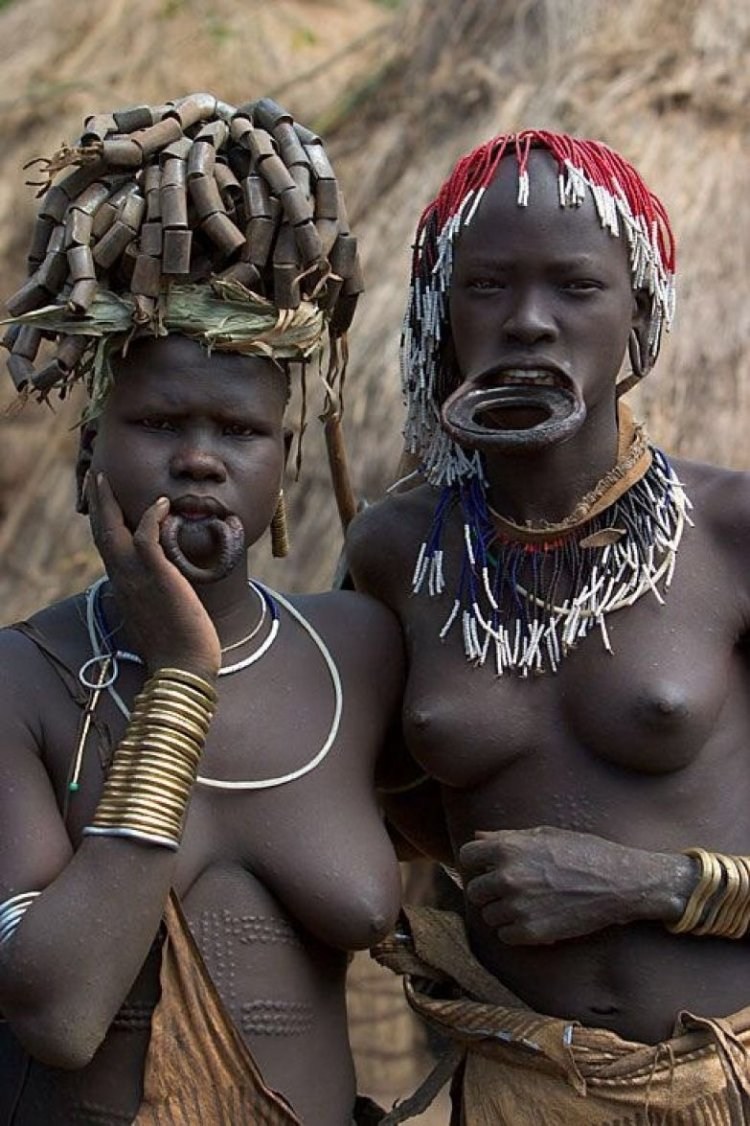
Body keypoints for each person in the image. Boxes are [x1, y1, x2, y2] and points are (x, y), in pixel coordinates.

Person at [0, 94, 402, 1126]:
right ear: (92, 442)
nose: (199, 457)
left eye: (238, 428)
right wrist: (181, 677)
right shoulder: (21, 682)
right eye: (159, 419)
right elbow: (58, 1011)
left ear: (287, 458)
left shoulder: (355, 652)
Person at [347, 130, 750, 1123]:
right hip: (514, 1090)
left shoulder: (735, 534)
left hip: (728, 1081)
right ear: (443, 318)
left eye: (576, 286)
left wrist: (648, 885)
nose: (529, 320)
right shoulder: (397, 552)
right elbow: (342, 802)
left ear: (640, 313)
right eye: (487, 287)